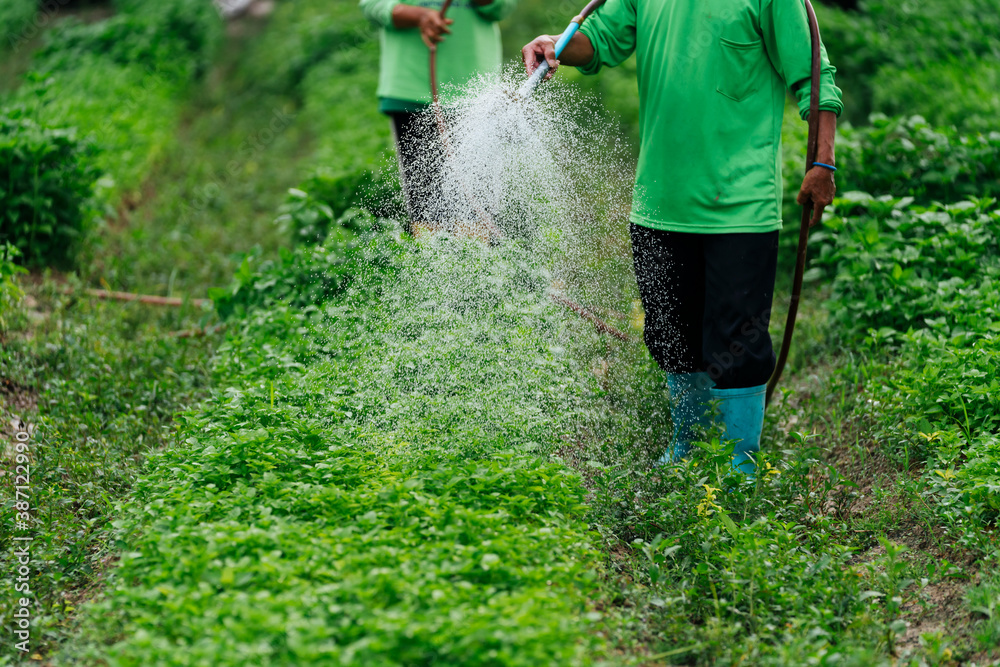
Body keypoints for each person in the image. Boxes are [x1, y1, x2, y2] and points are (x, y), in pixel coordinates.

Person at [522, 0, 843, 478]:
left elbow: (814, 78)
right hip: (660, 201)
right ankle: (687, 446)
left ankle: (740, 463)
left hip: (740, 206)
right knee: (672, 335)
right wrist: (557, 47)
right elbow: (601, 40)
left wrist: (823, 163)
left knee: (738, 338)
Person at [360, 0, 517, 231]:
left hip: (475, 91)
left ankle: (476, 262)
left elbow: (502, 6)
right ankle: (431, 259)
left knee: (475, 203)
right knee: (426, 205)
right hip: (412, 89)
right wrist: (418, 15)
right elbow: (373, 5)